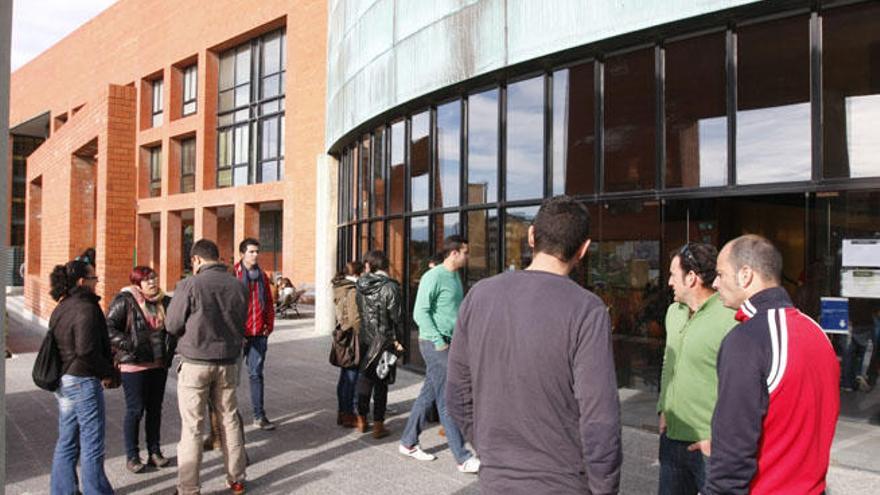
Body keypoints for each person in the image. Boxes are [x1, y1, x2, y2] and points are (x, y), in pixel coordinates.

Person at [447, 196, 622, 494]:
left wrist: (490, 448)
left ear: (531, 236)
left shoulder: (479, 295)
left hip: (496, 479)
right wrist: (604, 486)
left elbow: (457, 393)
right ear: (583, 248)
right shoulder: (587, 309)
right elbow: (599, 418)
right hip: (563, 481)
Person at [703, 235, 839, 494]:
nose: (715, 283)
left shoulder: (747, 339)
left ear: (745, 275)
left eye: (720, 274)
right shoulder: (817, 332)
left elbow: (734, 448)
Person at [165, 239, 249, 495]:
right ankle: (236, 479)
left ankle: (189, 487)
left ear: (196, 260)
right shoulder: (237, 285)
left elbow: (172, 324)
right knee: (229, 420)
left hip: (195, 363)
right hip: (228, 362)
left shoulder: (190, 284)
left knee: (192, 426)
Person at [656, 243, 737, 495]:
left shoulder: (730, 318)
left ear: (691, 278)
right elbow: (668, 363)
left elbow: (739, 387)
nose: (669, 282)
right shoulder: (673, 312)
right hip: (671, 436)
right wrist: (663, 408)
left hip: (709, 444)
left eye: (672, 274)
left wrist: (721, 440)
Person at [399, 235, 479, 473]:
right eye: (465, 252)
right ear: (454, 253)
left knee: (429, 393)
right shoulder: (432, 277)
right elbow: (419, 312)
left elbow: (452, 311)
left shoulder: (454, 276)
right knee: (447, 399)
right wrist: (438, 341)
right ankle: (463, 458)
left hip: (451, 342)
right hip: (435, 344)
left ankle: (408, 442)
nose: (468, 256)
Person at [48, 259, 117, 495]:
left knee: (67, 439)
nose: (97, 282)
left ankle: (62, 490)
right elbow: (86, 350)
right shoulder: (86, 307)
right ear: (82, 281)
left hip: (65, 380)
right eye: (94, 278)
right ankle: (96, 491)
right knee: (92, 442)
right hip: (82, 381)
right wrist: (108, 371)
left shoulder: (62, 305)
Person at [107, 266, 174, 473]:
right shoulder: (125, 300)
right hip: (133, 364)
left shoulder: (165, 301)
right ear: (137, 284)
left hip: (158, 363)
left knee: (155, 409)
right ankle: (132, 455)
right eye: (147, 280)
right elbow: (108, 327)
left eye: (153, 278)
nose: (152, 283)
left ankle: (154, 451)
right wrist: (130, 344)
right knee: (135, 410)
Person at [355, 250, 405, 438]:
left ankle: (361, 419)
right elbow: (397, 317)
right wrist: (399, 340)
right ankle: (378, 425)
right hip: (385, 340)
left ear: (370, 265)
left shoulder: (361, 285)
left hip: (367, 338)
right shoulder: (390, 287)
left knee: (365, 378)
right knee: (381, 382)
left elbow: (361, 311)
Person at [233, 238, 276, 431]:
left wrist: (269, 326)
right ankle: (230, 419)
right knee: (231, 378)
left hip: (258, 333)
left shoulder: (262, 276)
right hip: (237, 335)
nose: (255, 255)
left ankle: (259, 416)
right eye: (251, 252)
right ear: (242, 254)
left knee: (256, 374)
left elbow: (268, 301)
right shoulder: (232, 274)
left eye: (257, 251)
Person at [332, 261, 362, 427]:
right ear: (357, 274)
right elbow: (354, 318)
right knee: (351, 376)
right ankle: (348, 413)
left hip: (343, 335)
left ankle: (342, 411)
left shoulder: (340, 286)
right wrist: (363, 333)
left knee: (345, 376)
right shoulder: (351, 290)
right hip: (352, 337)